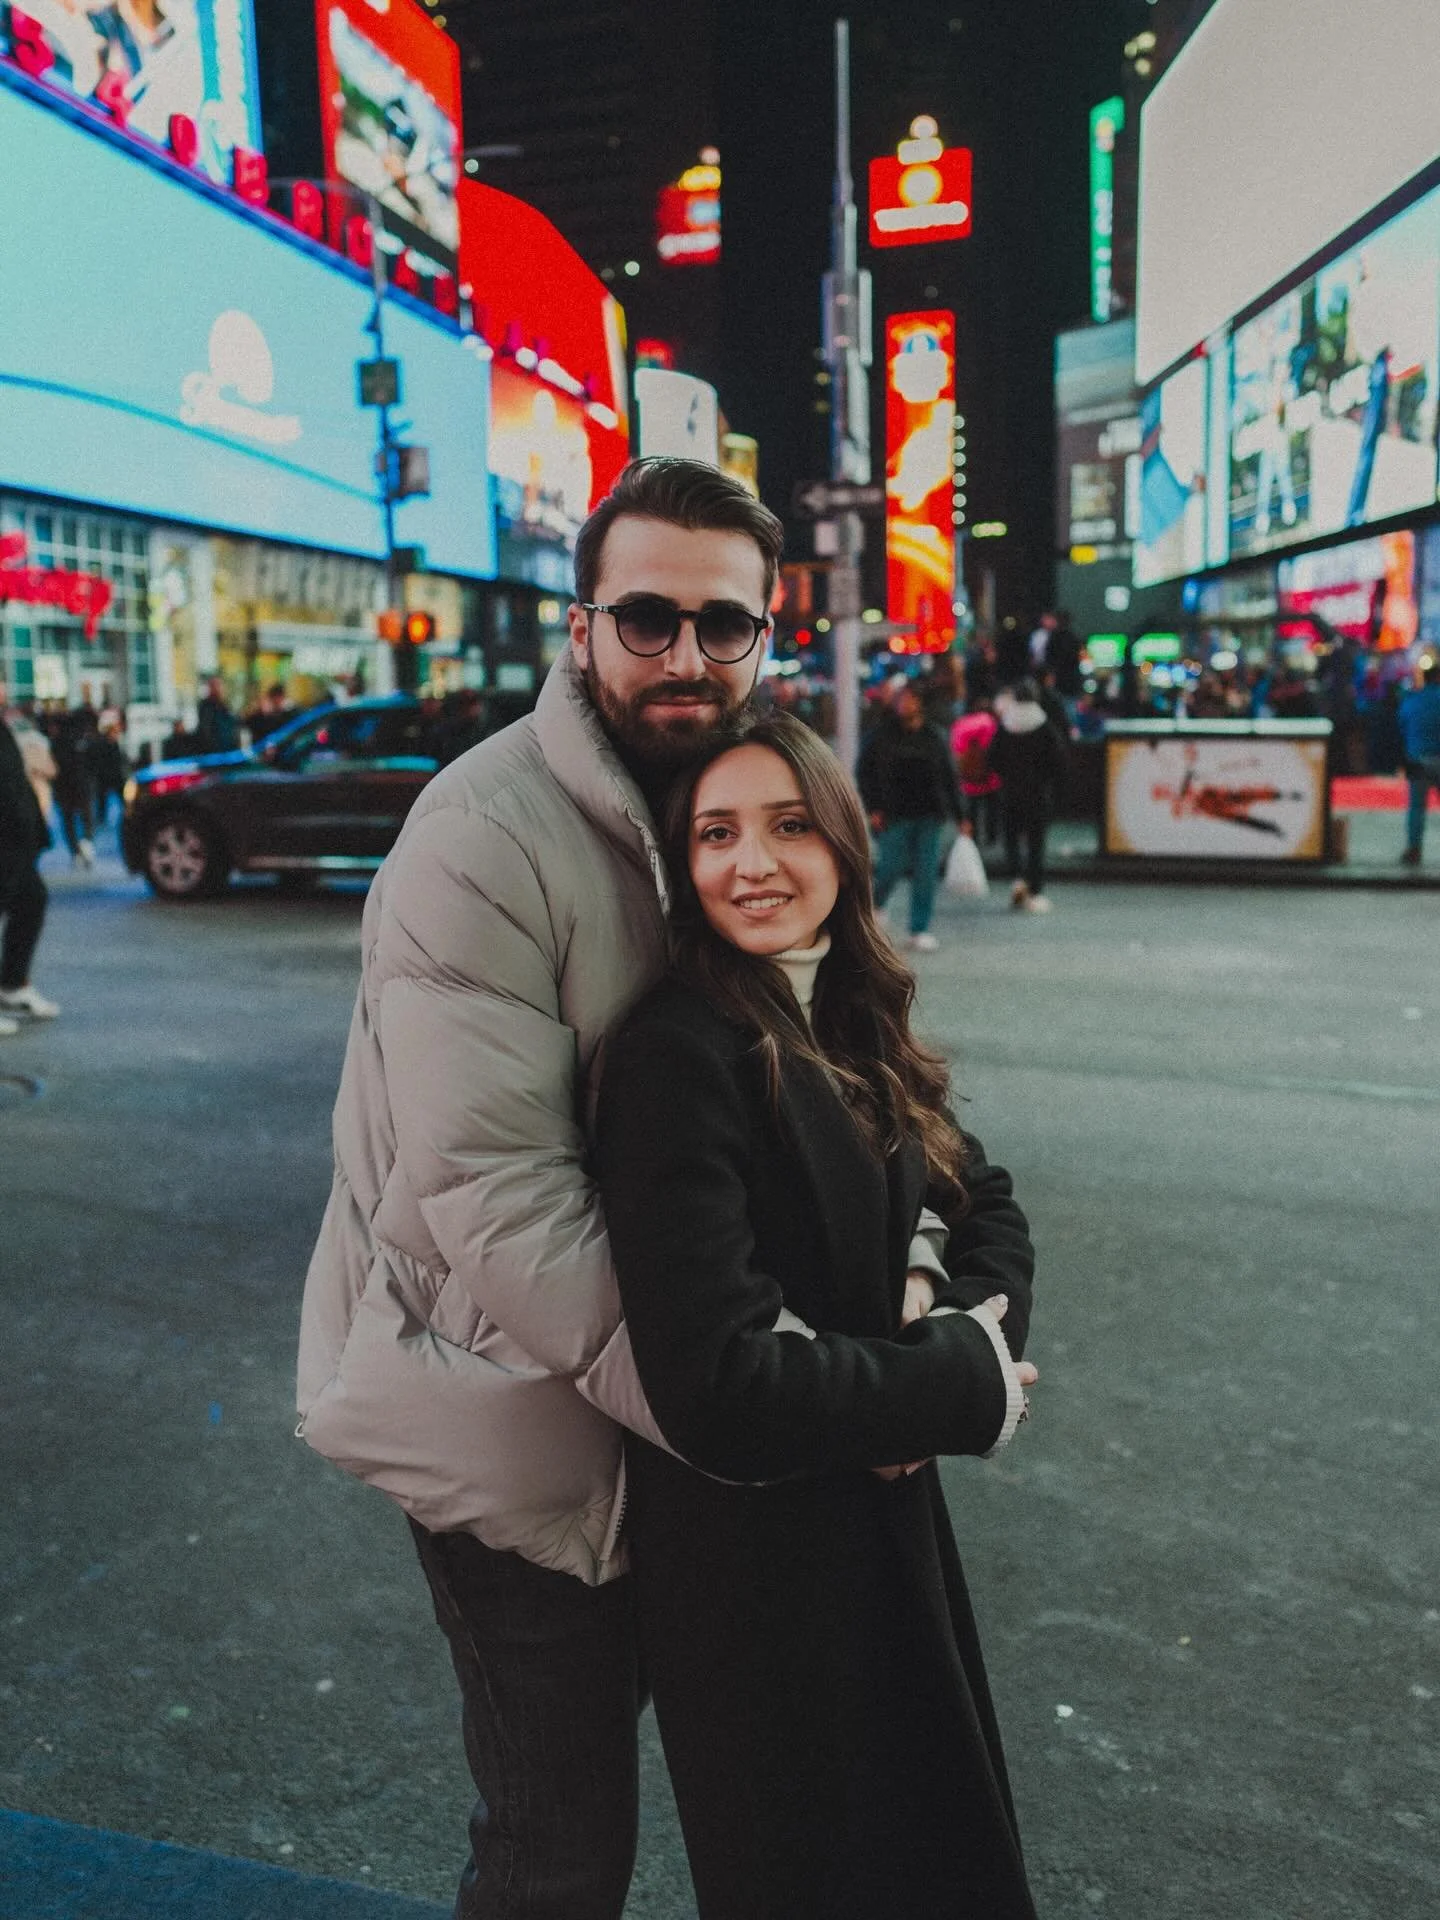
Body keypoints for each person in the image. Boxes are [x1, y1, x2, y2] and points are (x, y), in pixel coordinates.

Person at [297, 457, 786, 1919]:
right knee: (556, 1844)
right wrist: (738, 1403)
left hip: (656, 1395)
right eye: (647, 618)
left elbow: (848, 1084)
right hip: (504, 1409)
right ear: (581, 628)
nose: (686, 655)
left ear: (767, 631)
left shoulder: (737, 800)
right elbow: (498, 1195)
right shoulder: (483, 833)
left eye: (723, 623)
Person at [595, 713, 1039, 1920]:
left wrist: (943, 1320)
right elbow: (718, 1383)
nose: (753, 863)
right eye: (716, 834)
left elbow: (985, 1200)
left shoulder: (843, 1007)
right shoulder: (678, 1051)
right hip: (760, 1578)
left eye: (789, 826)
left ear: (844, 843)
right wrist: (954, 1384)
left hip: (874, 1534)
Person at [856, 681, 961, 952]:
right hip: (894, 813)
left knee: (926, 872)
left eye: (911, 698)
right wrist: (873, 808)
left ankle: (919, 928)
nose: (905, 704)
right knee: (890, 866)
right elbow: (865, 772)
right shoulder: (881, 735)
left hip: (930, 813)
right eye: (902, 699)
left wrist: (961, 814)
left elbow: (948, 776)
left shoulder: (934, 736)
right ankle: (876, 904)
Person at [0, 684, 60, 1030]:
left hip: (16, 841)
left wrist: (34, 831)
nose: (4, 689)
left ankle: (13, 983)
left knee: (31, 899)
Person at [992, 678, 1067, 913]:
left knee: (1011, 839)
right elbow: (1058, 760)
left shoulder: (1006, 726)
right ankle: (1035, 890)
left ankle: (1017, 879)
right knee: (1036, 843)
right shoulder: (1044, 726)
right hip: (1037, 793)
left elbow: (993, 758)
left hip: (1010, 792)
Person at [1398, 659, 1440, 867]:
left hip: (1416, 759)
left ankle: (1414, 849)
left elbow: (1402, 725)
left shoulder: (1413, 700)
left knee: (1416, 807)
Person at [194, 675, 240, 754]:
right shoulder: (206, 706)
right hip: (214, 753)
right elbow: (206, 731)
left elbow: (234, 725)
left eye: (219, 685)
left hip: (229, 751)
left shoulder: (226, 705)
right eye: (215, 685)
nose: (218, 688)